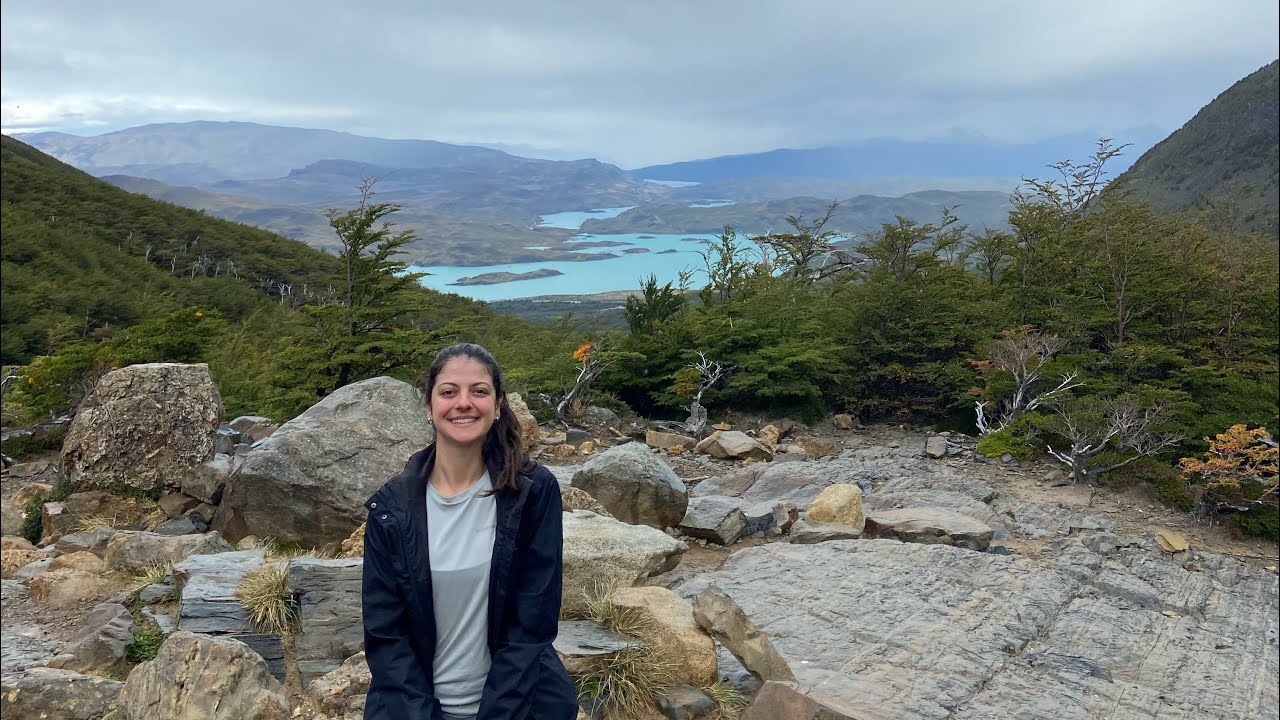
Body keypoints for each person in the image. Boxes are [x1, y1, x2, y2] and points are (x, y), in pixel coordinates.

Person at [362, 343, 579, 720]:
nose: (464, 402)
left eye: (479, 391)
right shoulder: (391, 509)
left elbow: (533, 623)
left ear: (497, 407)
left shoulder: (532, 492)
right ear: (429, 408)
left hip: (518, 707)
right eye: (449, 392)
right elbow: (386, 638)